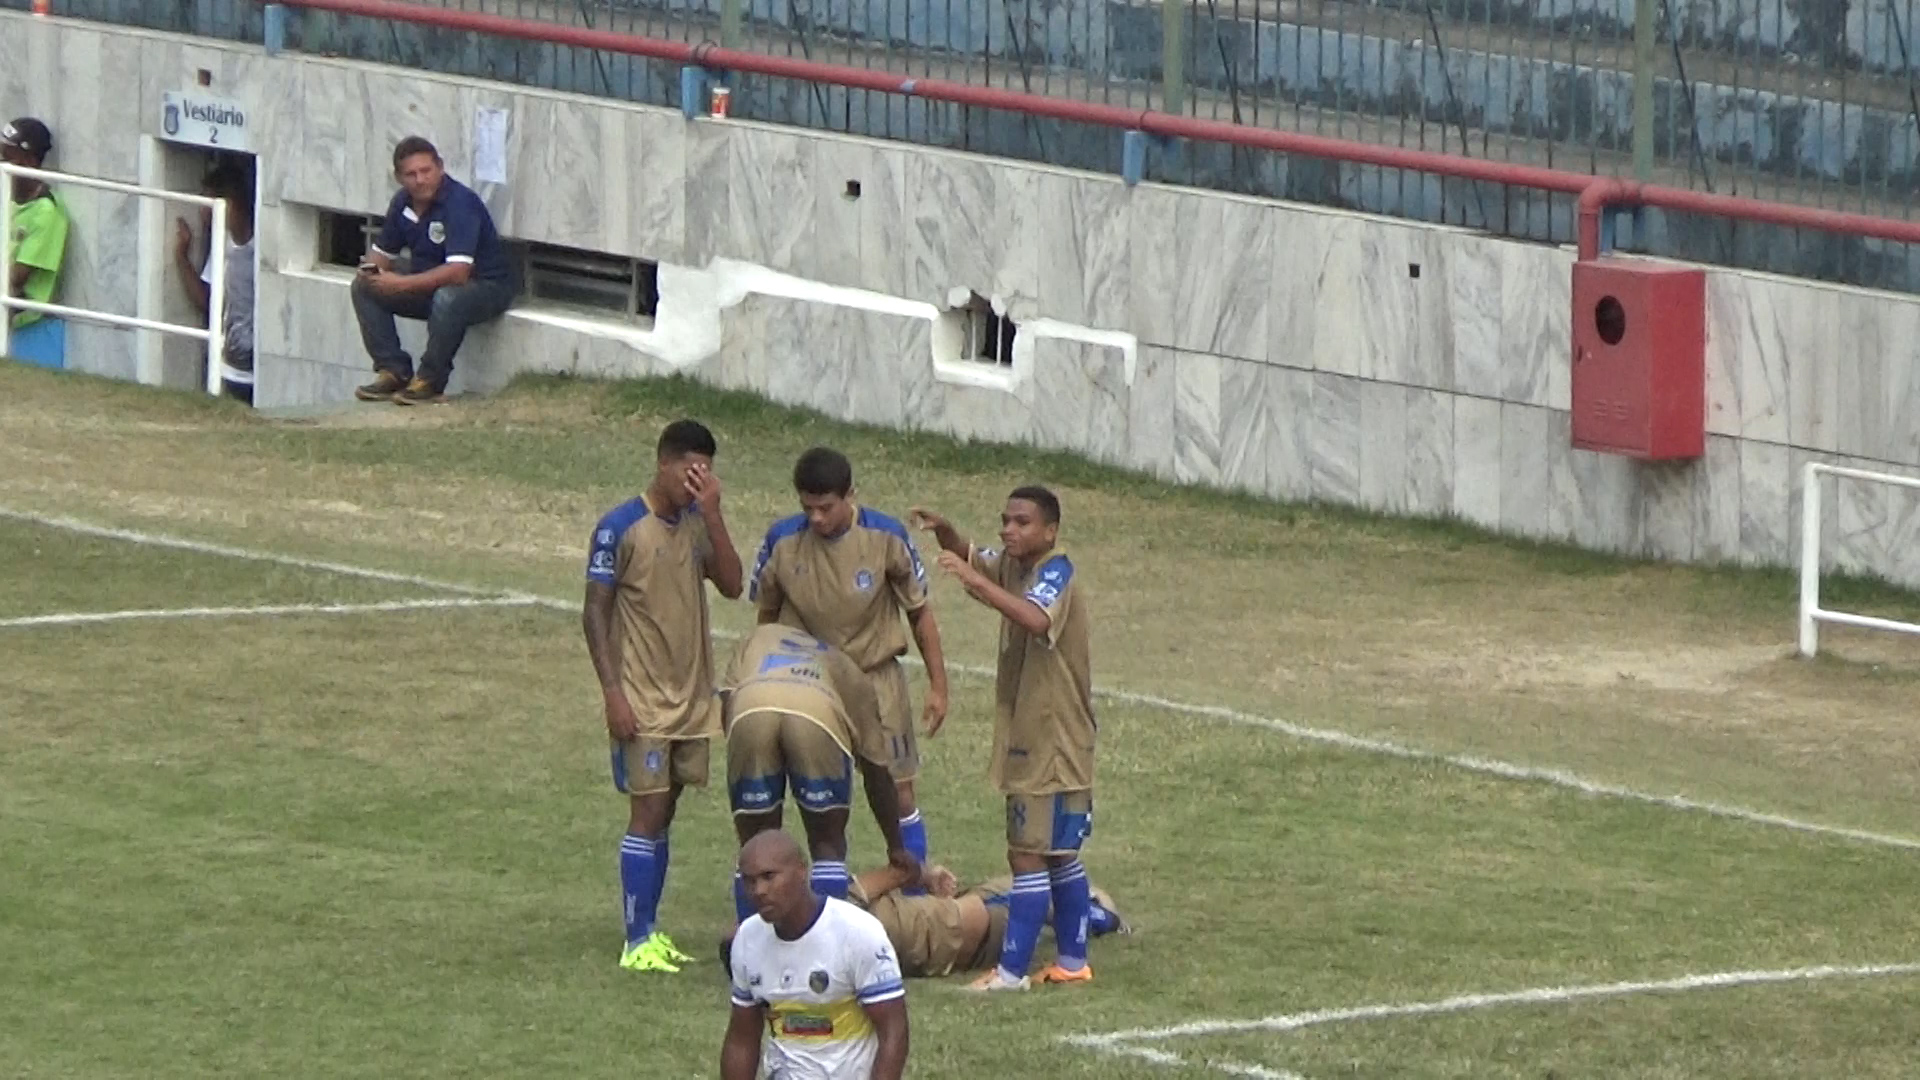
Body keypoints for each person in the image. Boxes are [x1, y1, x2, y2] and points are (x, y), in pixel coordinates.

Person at [910, 487, 1097, 991]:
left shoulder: (1056, 571)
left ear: (1050, 530)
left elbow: (1034, 618)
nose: (1008, 531)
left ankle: (1012, 972)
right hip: (1051, 737)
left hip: (1051, 739)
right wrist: (946, 531)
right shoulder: (1016, 565)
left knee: (1028, 853)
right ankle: (1074, 961)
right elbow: (977, 556)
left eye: (1022, 523)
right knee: (1058, 852)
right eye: (1005, 521)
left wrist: (973, 579)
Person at [581, 419, 745, 974]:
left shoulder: (697, 523)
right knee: (647, 812)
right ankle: (636, 939)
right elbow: (595, 613)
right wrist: (612, 693)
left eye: (706, 472)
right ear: (663, 463)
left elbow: (731, 583)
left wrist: (715, 515)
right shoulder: (620, 527)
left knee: (667, 809)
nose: (696, 482)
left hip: (692, 698)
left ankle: (650, 930)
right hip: (642, 697)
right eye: (689, 471)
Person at [750, 448, 950, 891]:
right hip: (809, 683)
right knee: (818, 797)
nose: (816, 519)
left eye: (826, 507)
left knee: (898, 790)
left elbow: (920, 613)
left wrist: (939, 685)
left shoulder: (885, 536)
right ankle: (814, 896)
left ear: (850, 496)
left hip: (876, 679)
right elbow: (766, 618)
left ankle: (913, 889)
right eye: (808, 508)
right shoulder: (782, 541)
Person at [719, 623, 918, 919]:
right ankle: (823, 949)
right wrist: (896, 845)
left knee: (756, 845)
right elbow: (877, 770)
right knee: (827, 843)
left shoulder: (759, 636)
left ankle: (750, 953)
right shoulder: (848, 667)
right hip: (816, 715)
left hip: (750, 710)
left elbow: (727, 702)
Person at [725, 857, 1128, 981]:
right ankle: (1098, 917)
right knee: (1042, 880)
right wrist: (924, 873)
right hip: (970, 920)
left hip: (947, 944)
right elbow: (898, 872)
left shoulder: (810, 960)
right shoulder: (826, 910)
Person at [722, 830, 908, 1080]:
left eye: (769, 877)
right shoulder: (748, 938)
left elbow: (893, 1032)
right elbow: (742, 1039)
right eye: (749, 881)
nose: (759, 890)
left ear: (802, 870)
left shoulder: (857, 932)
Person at [351, 135, 514, 406]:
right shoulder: (402, 203)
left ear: (440, 167)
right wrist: (369, 271)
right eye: (411, 174)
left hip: (484, 287)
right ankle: (393, 370)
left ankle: (430, 381)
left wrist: (400, 284)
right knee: (363, 286)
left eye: (426, 171)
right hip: (432, 281)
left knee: (447, 298)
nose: (420, 180)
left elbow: (459, 271)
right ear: (399, 177)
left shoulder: (460, 203)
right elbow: (381, 254)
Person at [172, 160, 256, 405]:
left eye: (211, 203)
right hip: (230, 368)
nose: (204, 211)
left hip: (259, 369)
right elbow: (205, 300)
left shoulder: (260, 249)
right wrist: (181, 257)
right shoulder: (222, 245)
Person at [3, 117, 69, 366]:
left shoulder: (47, 213)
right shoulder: (5, 195)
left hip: (20, 315)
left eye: (8, 156)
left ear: (29, 162)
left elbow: (15, 279)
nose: (2, 162)